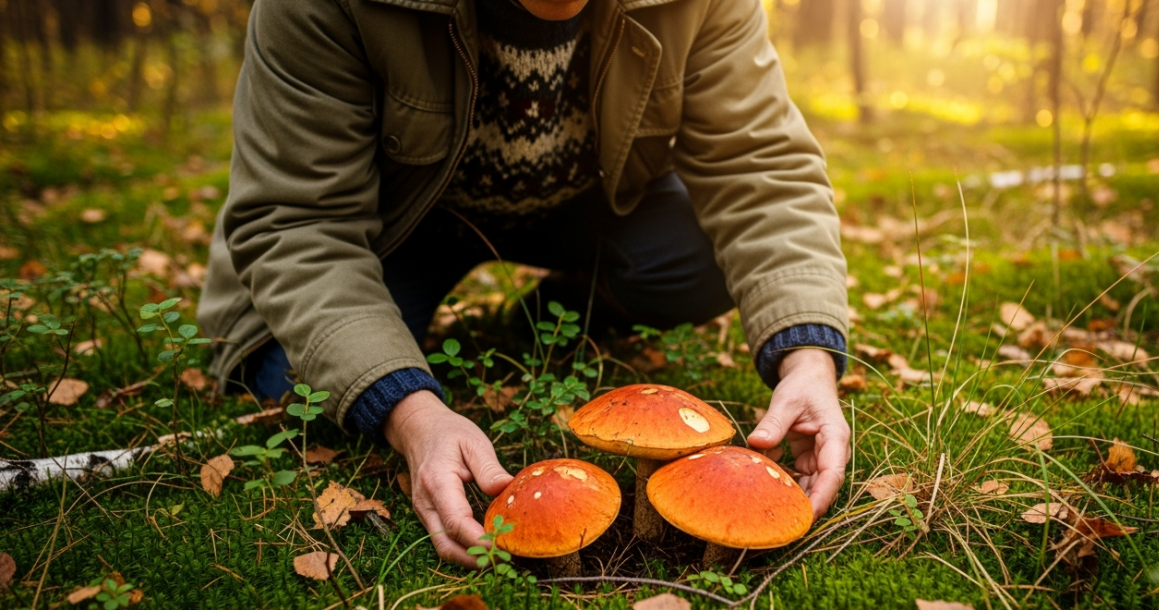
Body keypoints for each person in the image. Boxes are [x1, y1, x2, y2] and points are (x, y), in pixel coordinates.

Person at [198, 0, 852, 568]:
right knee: (298, 375)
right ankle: (412, 350)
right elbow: (300, 222)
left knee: (701, 255)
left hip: (585, 202)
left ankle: (551, 317)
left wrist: (809, 358)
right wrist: (410, 415)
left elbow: (760, 166)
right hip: (397, 224)